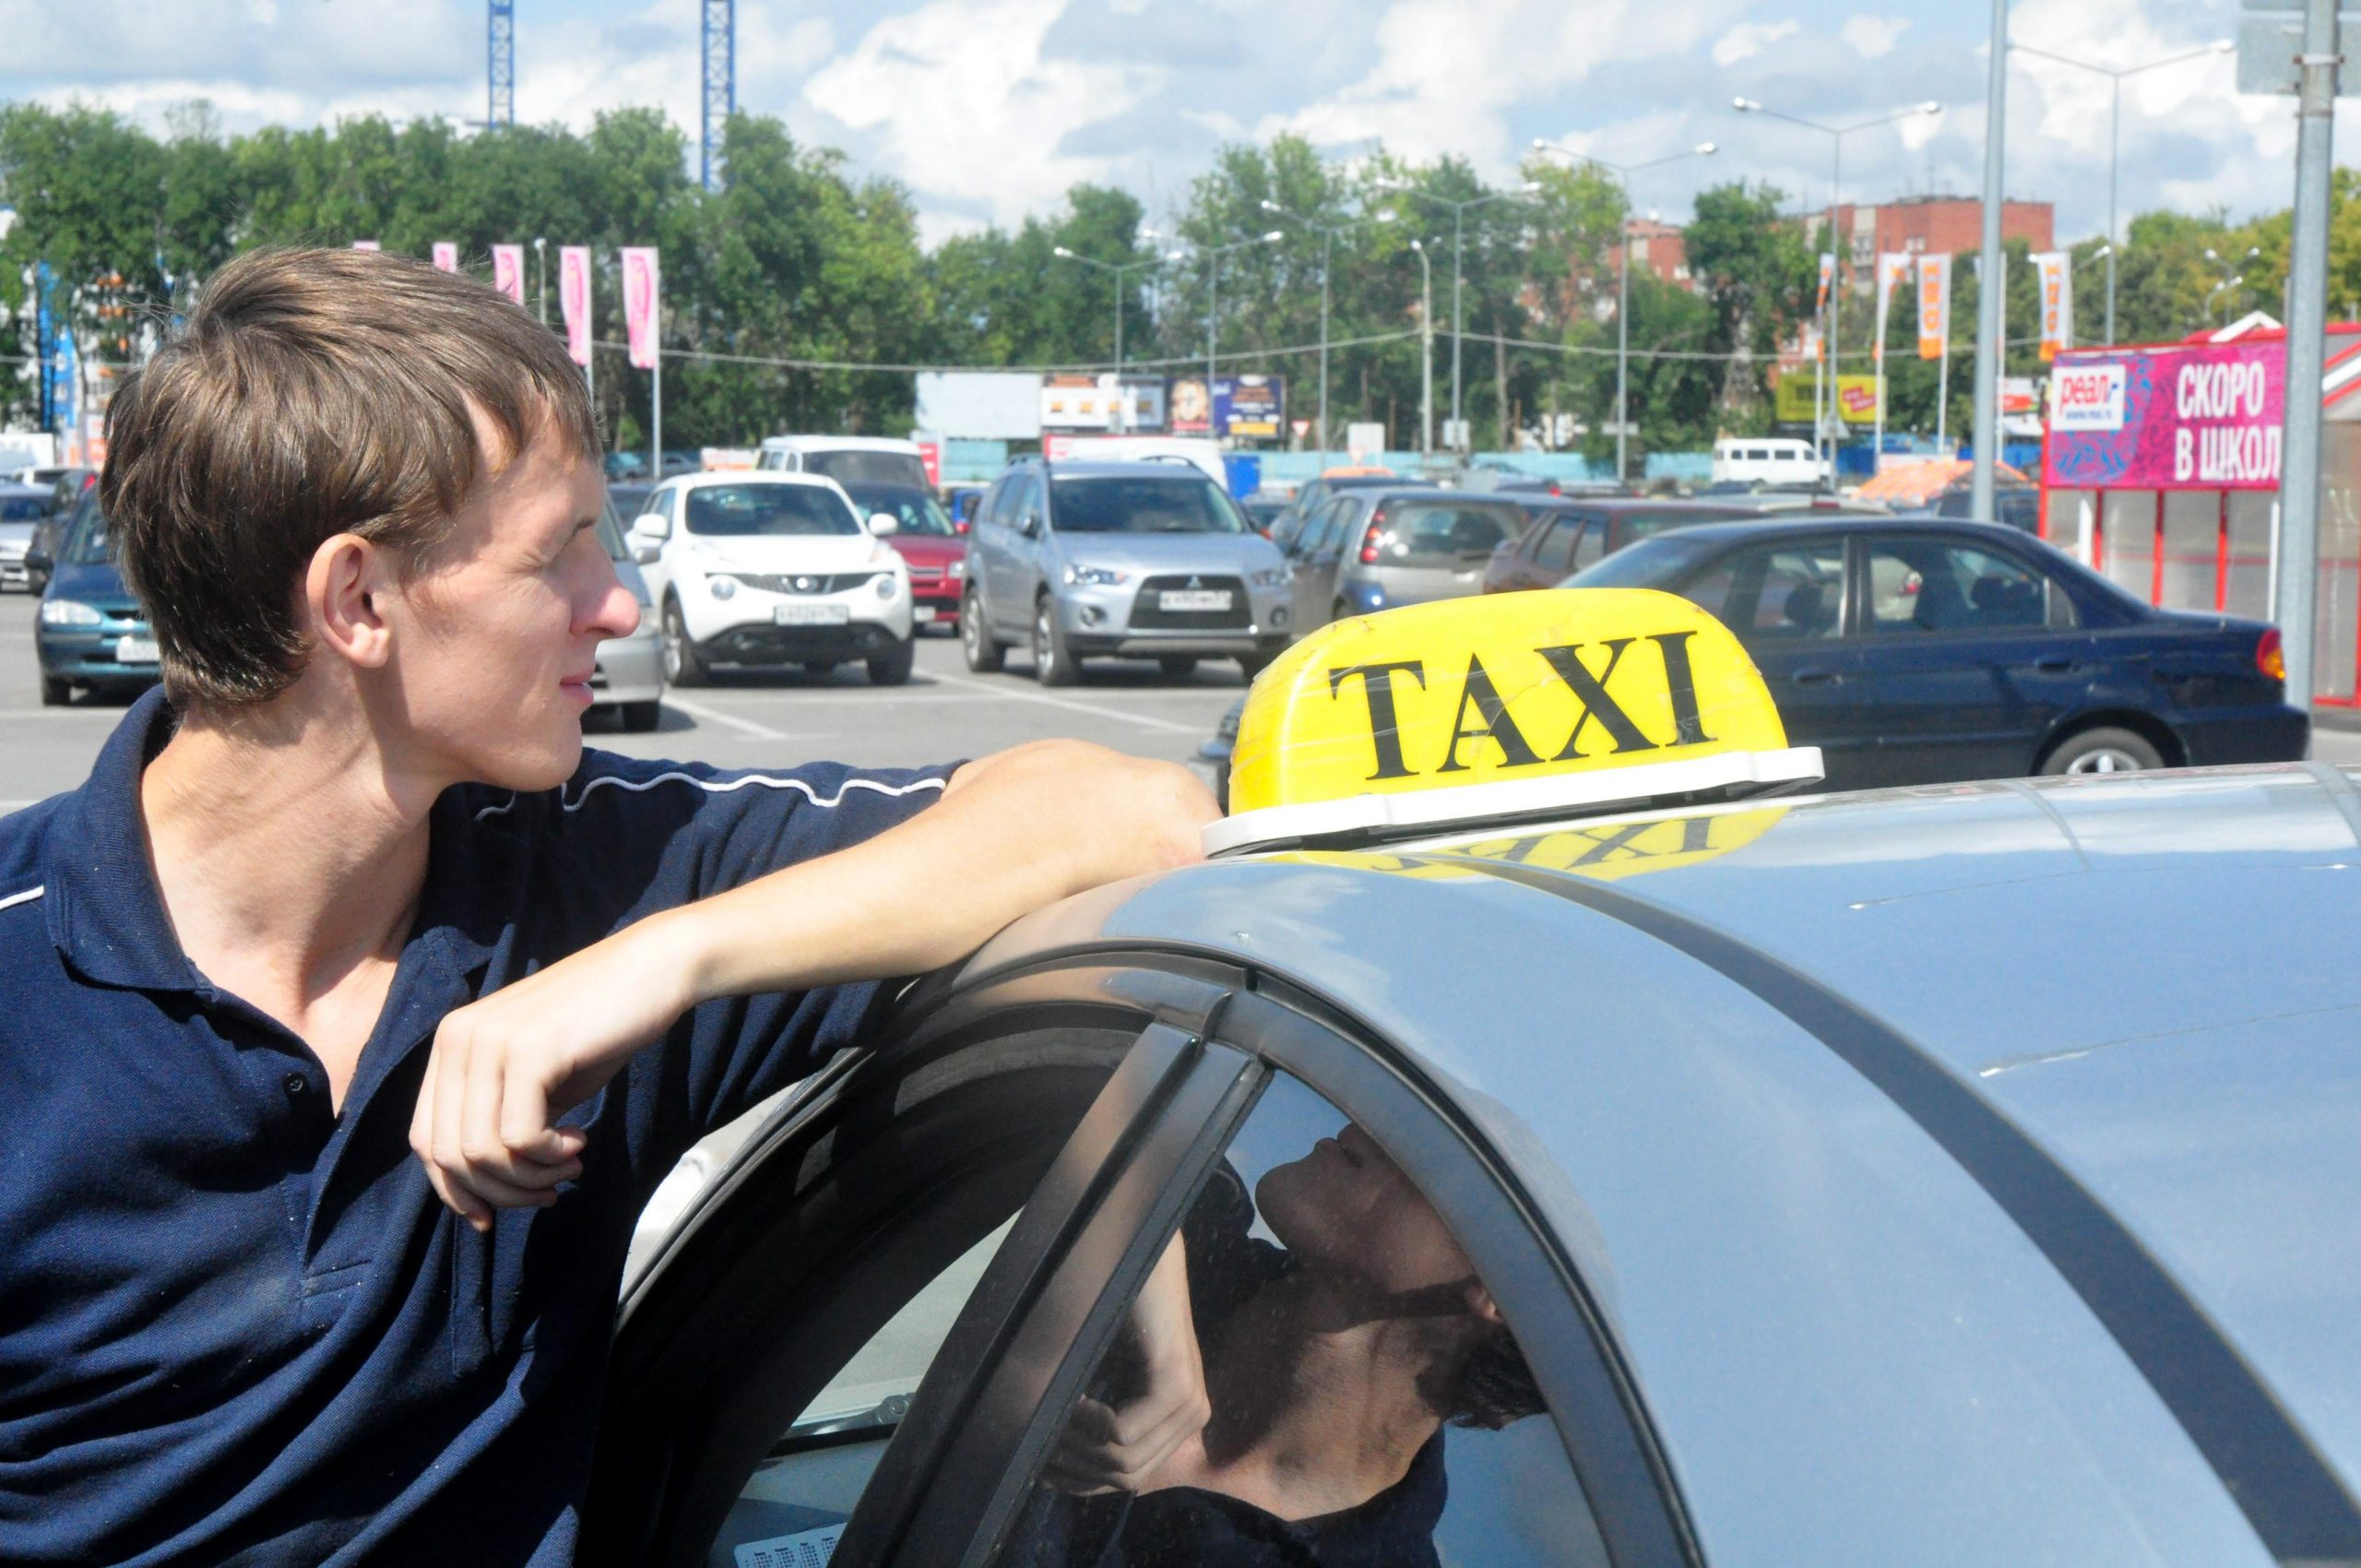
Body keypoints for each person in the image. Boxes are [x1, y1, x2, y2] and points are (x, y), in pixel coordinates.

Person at [0, 247, 1216, 1566]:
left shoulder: (607, 871)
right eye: (558, 554)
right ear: (358, 599)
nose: (620, 605)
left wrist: (658, 960)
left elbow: (1139, 816)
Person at [1021, 1123, 1546, 1567]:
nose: (1366, 1122)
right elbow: (1076, 1039)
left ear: (1501, 1293)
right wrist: (1148, 1256)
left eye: (1442, 1151)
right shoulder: (1188, 1203)